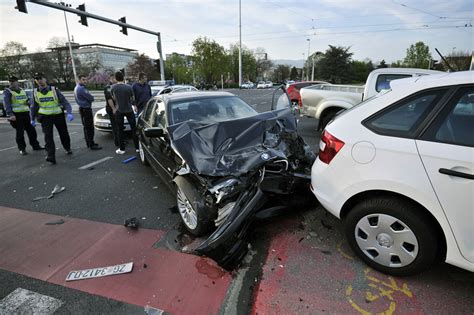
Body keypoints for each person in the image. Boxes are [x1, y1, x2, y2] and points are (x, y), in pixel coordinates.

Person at [30, 72, 74, 164]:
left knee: (63, 133)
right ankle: (51, 156)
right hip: (45, 117)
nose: (39, 81)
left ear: (45, 79)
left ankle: (67, 147)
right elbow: (33, 107)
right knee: (48, 137)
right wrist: (32, 118)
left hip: (58, 115)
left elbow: (64, 102)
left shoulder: (54, 90)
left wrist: (69, 112)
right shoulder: (35, 92)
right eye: (37, 79)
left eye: (41, 78)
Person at [3, 75, 44, 155]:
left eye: (14, 81)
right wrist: (10, 114)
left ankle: (35, 145)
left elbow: (26, 100)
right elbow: (6, 104)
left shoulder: (22, 90)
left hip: (26, 113)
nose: (12, 83)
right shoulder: (7, 91)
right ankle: (22, 149)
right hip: (16, 115)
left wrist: (28, 102)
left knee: (32, 130)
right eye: (11, 81)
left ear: (17, 82)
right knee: (20, 132)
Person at [111, 71, 138, 155]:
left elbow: (114, 98)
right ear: (123, 77)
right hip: (129, 110)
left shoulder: (113, 88)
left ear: (115, 78)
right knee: (134, 129)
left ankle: (122, 149)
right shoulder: (129, 87)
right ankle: (137, 147)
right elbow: (132, 98)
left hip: (119, 110)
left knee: (120, 130)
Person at [74, 74, 101, 150]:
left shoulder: (76, 88)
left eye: (86, 79)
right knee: (89, 127)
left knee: (86, 127)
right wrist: (91, 98)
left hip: (82, 108)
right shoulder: (82, 89)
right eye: (83, 79)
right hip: (86, 109)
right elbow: (91, 98)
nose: (85, 81)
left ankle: (89, 143)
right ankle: (91, 144)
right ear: (79, 80)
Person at [104, 73, 119, 149]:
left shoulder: (115, 86)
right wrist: (114, 108)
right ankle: (117, 142)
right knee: (115, 126)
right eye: (114, 79)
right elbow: (109, 99)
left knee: (118, 125)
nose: (115, 80)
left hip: (116, 108)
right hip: (111, 108)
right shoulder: (108, 87)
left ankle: (120, 139)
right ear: (111, 79)